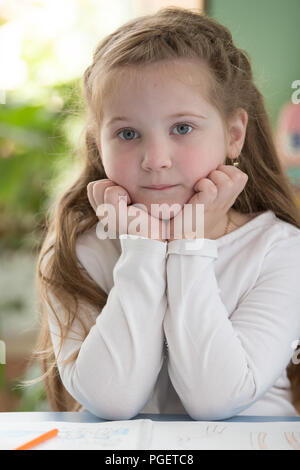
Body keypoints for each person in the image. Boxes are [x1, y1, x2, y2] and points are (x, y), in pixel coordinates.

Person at [31, 7, 300, 419]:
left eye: (182, 128)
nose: (155, 160)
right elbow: (112, 399)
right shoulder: (76, 250)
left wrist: (190, 245)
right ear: (98, 144)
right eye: (127, 133)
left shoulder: (280, 249)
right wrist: (144, 250)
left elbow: (217, 399)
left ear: (233, 135)